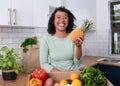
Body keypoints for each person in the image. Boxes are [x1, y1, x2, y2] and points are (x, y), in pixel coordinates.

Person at [40, 6, 84, 72]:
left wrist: (78, 46)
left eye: (65, 18)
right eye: (58, 17)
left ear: (68, 21)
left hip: (73, 75)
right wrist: (61, 74)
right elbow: (43, 64)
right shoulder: (46, 38)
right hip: (56, 76)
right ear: (53, 20)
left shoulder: (73, 37)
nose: (62, 20)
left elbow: (77, 63)